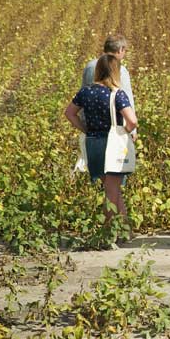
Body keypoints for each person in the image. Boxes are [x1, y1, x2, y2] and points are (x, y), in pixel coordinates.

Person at [64, 54, 138, 233]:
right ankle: (108, 232)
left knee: (112, 188)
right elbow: (133, 121)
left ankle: (125, 230)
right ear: (115, 72)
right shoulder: (117, 94)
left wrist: (85, 129)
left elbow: (69, 113)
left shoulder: (85, 92)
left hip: (93, 144)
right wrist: (126, 131)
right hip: (113, 146)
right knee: (111, 193)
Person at [82, 35, 134, 103]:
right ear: (120, 50)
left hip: (88, 109)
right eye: (125, 50)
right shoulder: (121, 71)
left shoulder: (90, 66)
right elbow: (128, 101)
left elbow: (82, 96)